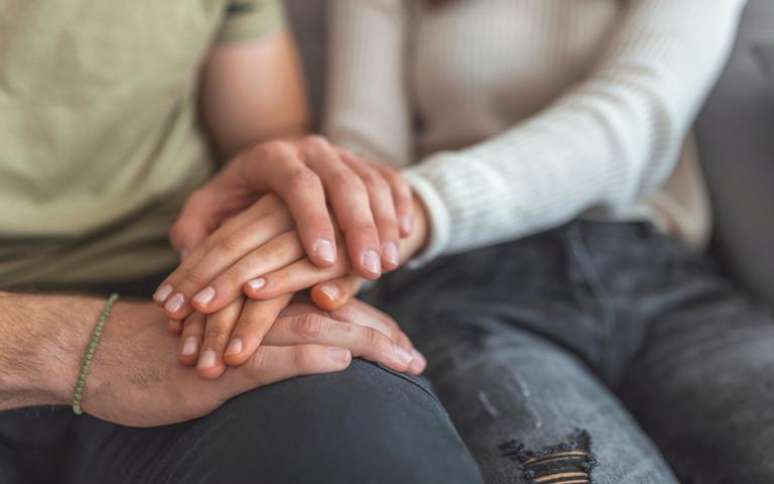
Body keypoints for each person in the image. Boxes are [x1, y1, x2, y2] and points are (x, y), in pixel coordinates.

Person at [0, 1, 482, 482]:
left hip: (178, 302)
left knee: (366, 434)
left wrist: (291, 195)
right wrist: (85, 346)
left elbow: (262, 131)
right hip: (75, 330)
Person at [320, 0, 774, 482]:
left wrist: (423, 205)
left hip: (665, 284)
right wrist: (342, 251)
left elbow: (636, 114)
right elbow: (362, 163)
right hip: (470, 293)